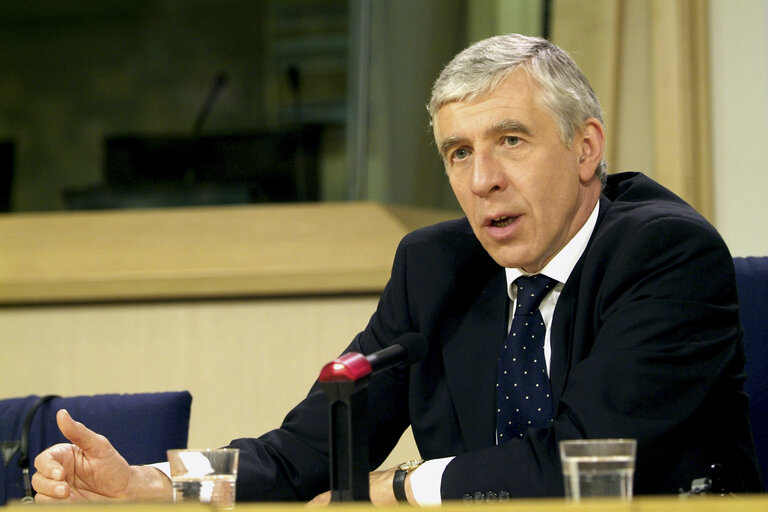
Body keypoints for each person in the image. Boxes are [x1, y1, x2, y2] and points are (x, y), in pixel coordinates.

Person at [32, 34, 763, 505]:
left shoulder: (665, 254)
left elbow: (580, 470)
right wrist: (148, 482)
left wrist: (406, 485)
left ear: (585, 148)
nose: (483, 181)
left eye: (510, 140)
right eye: (459, 153)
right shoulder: (436, 266)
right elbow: (306, 453)